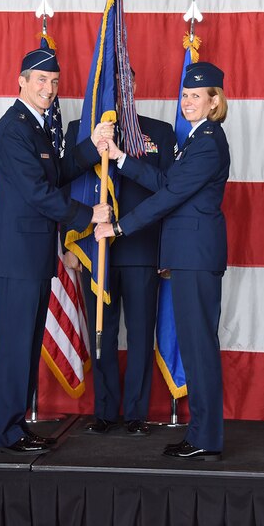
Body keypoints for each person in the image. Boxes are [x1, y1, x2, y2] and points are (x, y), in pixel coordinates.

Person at [94, 62, 230, 461]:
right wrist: (120, 157)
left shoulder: (208, 141)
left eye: (196, 96)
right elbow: (168, 184)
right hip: (189, 256)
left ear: (214, 101)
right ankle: (203, 433)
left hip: (197, 256)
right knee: (194, 345)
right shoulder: (195, 139)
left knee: (199, 347)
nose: (187, 102)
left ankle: (206, 436)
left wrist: (119, 229)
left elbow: (169, 197)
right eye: (184, 95)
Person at [0, 47, 112, 455]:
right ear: (21, 81)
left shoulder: (36, 128)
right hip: (15, 257)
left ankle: (14, 425)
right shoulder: (12, 129)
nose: (50, 88)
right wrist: (88, 214)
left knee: (25, 345)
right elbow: (38, 192)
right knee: (14, 346)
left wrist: (91, 146)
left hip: (31, 256)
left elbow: (55, 171)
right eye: (41, 80)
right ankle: (5, 430)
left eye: (54, 82)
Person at [62, 69, 176, 437]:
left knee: (141, 334)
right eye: (113, 85)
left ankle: (137, 413)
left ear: (134, 87)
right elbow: (68, 187)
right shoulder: (81, 131)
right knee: (102, 332)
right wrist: (70, 243)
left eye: (126, 83)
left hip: (142, 248)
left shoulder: (158, 132)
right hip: (97, 249)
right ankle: (105, 411)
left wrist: (166, 252)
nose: (120, 91)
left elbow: (169, 194)